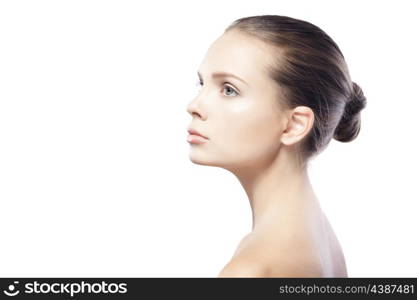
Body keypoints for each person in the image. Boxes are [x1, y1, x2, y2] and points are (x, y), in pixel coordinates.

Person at [186, 15, 367, 277]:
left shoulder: (253, 269)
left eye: (228, 89)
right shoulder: (318, 236)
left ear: (294, 125)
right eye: (202, 84)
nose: (195, 106)